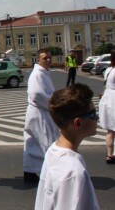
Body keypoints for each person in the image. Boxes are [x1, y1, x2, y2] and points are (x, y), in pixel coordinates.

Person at [35, 83, 100, 210]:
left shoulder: (54, 150)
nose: (97, 117)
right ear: (78, 123)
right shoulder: (74, 172)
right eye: (92, 114)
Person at [23, 48, 58, 183]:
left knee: (34, 143)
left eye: (49, 57)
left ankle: (30, 171)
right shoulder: (37, 74)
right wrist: (52, 105)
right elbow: (36, 94)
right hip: (39, 112)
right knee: (45, 142)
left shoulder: (44, 73)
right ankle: (46, 172)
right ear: (38, 59)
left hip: (41, 111)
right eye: (45, 58)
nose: (48, 60)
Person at [98, 50, 115, 164]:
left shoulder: (108, 70)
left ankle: (109, 155)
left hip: (107, 97)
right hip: (114, 98)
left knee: (110, 130)